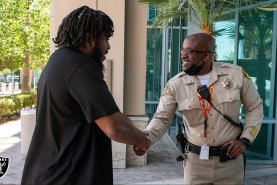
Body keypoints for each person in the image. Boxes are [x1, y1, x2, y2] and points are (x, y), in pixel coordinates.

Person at [21, 6, 149, 185]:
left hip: (51, 172)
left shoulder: (58, 60)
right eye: (106, 38)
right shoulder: (81, 67)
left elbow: (107, 115)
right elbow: (114, 127)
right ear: (90, 39)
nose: (108, 46)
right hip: (67, 176)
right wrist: (140, 139)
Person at [134, 33, 263, 184]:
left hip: (230, 162)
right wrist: (146, 139)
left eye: (189, 51)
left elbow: (255, 107)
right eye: (182, 50)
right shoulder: (176, 84)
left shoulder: (236, 75)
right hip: (195, 164)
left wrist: (245, 140)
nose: (183, 55)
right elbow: (162, 118)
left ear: (206, 56)